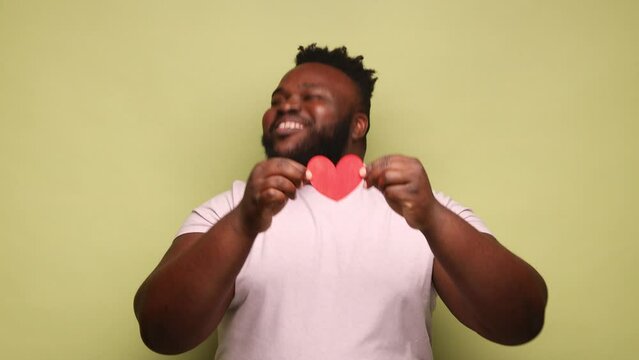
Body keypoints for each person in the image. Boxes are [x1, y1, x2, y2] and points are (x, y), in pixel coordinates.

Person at [134, 44, 548, 359]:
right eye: (277, 100)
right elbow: (161, 330)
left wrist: (434, 220)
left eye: (310, 95)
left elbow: (520, 320)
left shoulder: (421, 208)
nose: (286, 105)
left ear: (359, 122)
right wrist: (243, 222)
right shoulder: (229, 209)